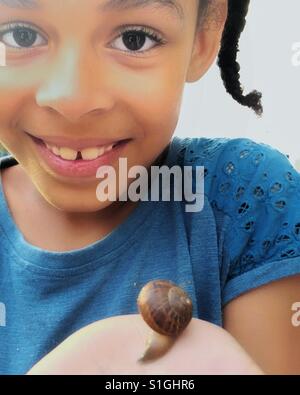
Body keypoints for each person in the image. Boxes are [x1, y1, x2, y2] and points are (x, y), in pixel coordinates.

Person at [0, 0, 299, 375]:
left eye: (134, 39)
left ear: (203, 38)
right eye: (21, 35)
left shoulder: (244, 200)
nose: (72, 98)